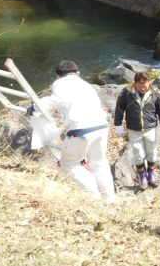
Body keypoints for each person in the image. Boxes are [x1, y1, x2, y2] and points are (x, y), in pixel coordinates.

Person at [36, 60, 115, 202]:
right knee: (99, 163)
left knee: (69, 164)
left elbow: (55, 100)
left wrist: (35, 107)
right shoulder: (86, 85)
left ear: (58, 76)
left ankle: (94, 197)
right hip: (101, 127)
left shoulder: (60, 84)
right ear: (78, 72)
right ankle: (110, 199)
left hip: (81, 129)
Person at [114, 71, 160, 188]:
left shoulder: (156, 93)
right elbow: (119, 108)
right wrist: (117, 124)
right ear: (135, 83)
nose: (143, 88)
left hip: (150, 129)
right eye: (140, 86)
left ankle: (151, 173)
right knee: (138, 154)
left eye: (145, 85)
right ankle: (142, 175)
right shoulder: (126, 93)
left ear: (149, 82)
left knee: (152, 153)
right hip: (133, 129)